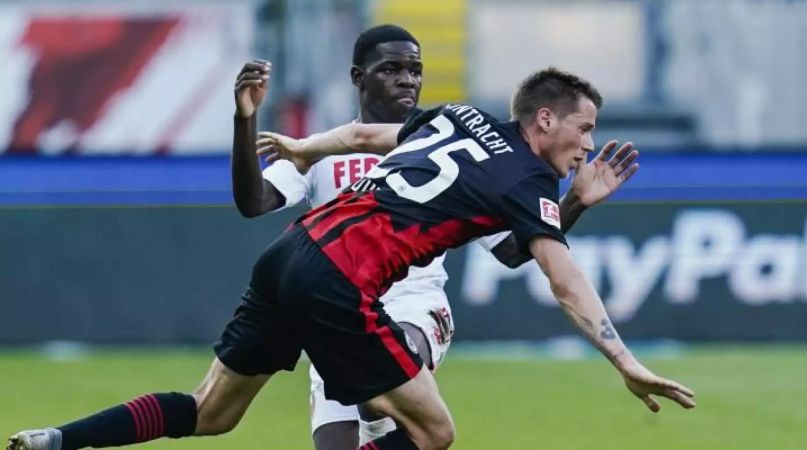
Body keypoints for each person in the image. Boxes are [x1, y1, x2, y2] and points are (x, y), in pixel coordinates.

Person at [7, 67, 686, 450]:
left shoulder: (457, 117)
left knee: (211, 411)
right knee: (433, 430)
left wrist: (305, 150)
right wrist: (626, 362)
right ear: (544, 120)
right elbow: (560, 278)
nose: (587, 145)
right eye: (584, 128)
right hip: (341, 283)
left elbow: (365, 134)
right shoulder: (527, 179)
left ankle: (57, 442)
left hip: (289, 254)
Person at [232, 25, 639, 450]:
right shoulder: (320, 150)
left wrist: (572, 201)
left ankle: (381, 414)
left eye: (415, 70)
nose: (408, 79)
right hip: (335, 313)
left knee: (386, 399)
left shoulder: (457, 147)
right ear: (358, 77)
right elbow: (254, 200)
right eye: (392, 69)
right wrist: (246, 120)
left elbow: (512, 251)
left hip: (414, 306)